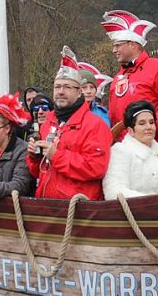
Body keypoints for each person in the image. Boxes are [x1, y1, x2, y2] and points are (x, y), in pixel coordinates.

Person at [27, 48, 113, 200]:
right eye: (57, 87)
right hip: (47, 206)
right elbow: (38, 172)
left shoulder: (95, 125)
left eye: (67, 87)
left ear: (79, 93)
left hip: (78, 210)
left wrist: (56, 155)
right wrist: (34, 157)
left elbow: (96, 168)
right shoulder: (47, 123)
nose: (61, 91)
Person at [103, 10, 158, 142]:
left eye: (117, 45)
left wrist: (147, 129)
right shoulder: (117, 77)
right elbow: (112, 115)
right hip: (124, 148)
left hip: (153, 145)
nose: (114, 50)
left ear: (132, 44)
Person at [103, 100, 158, 200]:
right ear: (130, 130)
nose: (149, 127)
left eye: (151, 122)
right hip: (136, 213)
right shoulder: (120, 153)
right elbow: (113, 191)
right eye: (142, 124)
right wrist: (151, 202)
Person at [78, 61, 112, 127]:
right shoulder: (68, 112)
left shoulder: (103, 113)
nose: (89, 91)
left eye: (92, 87)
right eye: (84, 87)